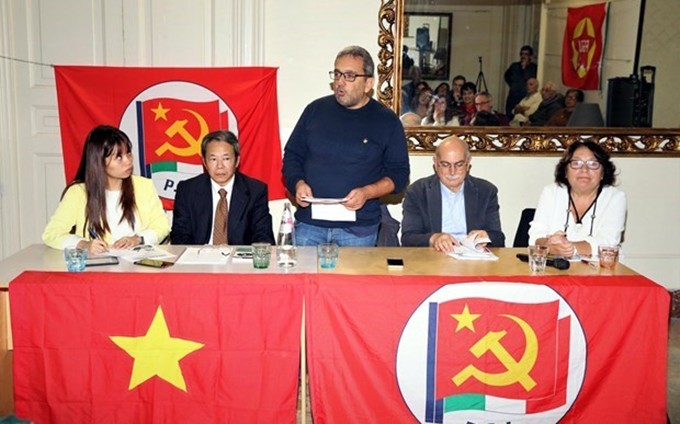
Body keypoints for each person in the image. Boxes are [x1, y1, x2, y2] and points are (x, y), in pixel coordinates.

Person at [282, 45, 410, 246]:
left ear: (368, 83)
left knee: (353, 279)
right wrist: (297, 183)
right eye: (337, 74)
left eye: (350, 76)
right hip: (310, 226)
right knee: (302, 278)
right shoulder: (315, 111)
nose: (340, 82)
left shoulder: (387, 121)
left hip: (358, 231)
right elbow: (292, 156)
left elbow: (399, 175)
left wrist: (367, 192)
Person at [42, 125, 170, 254]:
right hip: (97, 267)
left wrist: (138, 239)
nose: (128, 161)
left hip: (138, 264)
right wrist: (83, 244)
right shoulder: (78, 192)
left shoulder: (143, 186)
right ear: (98, 162)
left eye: (128, 153)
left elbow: (162, 226)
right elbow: (52, 234)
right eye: (118, 157)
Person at [171, 130, 275, 245]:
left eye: (226, 159)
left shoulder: (255, 191)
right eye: (213, 159)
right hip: (200, 258)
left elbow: (263, 237)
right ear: (204, 162)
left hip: (239, 260)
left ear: (237, 161)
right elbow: (180, 236)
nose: (220, 166)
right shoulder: (187, 190)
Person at [401, 136, 505, 251]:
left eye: (459, 164)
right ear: (435, 163)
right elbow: (408, 238)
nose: (452, 171)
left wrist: (485, 236)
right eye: (445, 164)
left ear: (468, 163)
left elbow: (498, 238)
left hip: (473, 261)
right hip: (434, 258)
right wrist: (434, 238)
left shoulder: (486, 191)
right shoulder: (417, 192)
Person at [528, 140, 626, 258]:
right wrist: (550, 247)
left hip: (600, 271)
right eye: (576, 163)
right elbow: (536, 236)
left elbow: (607, 242)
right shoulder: (551, 192)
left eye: (593, 164)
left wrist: (567, 248)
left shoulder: (615, 198)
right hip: (554, 269)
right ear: (565, 171)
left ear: (603, 173)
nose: (584, 169)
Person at [504, 45, 538, 116]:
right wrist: (512, 85)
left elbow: (531, 80)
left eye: (526, 54)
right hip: (513, 96)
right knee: (509, 116)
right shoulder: (514, 66)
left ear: (530, 56)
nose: (523, 56)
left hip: (525, 96)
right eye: (522, 54)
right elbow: (506, 76)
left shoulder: (534, 68)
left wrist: (524, 68)